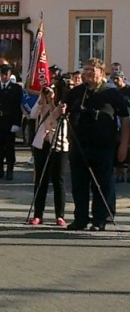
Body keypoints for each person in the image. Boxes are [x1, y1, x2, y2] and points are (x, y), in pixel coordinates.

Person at [63, 58, 130, 231]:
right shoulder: (77, 92)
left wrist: (124, 144)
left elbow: (125, 118)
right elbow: (62, 109)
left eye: (91, 70)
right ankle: (81, 218)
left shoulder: (111, 93)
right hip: (79, 145)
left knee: (103, 183)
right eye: (85, 71)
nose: (87, 74)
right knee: (79, 184)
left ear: (101, 72)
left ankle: (101, 219)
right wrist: (59, 109)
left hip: (103, 146)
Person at [29, 85, 68, 226]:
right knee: (40, 180)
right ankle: (38, 214)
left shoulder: (62, 103)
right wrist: (41, 100)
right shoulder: (42, 102)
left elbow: (57, 117)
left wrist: (52, 102)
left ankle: (60, 215)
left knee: (59, 180)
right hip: (42, 144)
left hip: (58, 145)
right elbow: (32, 115)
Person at [0, 64, 23, 180]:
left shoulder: (16, 88)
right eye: (2, 74)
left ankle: (10, 171)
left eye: (6, 75)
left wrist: (17, 123)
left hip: (9, 122)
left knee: (9, 148)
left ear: (9, 75)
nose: (3, 77)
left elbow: (18, 107)